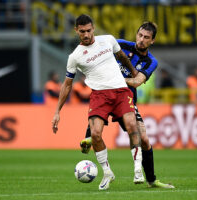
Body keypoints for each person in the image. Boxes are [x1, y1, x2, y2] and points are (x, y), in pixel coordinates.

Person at [52, 14, 143, 191]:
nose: (86, 35)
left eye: (88, 31)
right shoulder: (75, 56)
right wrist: (57, 111)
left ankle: (138, 170)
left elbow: (122, 56)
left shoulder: (108, 40)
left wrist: (133, 72)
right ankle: (107, 172)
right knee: (94, 135)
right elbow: (67, 85)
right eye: (82, 32)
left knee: (132, 125)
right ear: (76, 31)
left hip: (120, 90)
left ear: (93, 28)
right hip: (99, 96)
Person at [80, 22, 175, 189]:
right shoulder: (121, 44)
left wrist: (113, 80)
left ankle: (151, 180)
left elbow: (137, 81)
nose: (141, 40)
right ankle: (89, 136)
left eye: (146, 38)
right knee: (97, 123)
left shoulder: (151, 61)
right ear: (136, 34)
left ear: (152, 41)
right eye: (140, 35)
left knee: (144, 139)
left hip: (126, 99)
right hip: (106, 94)